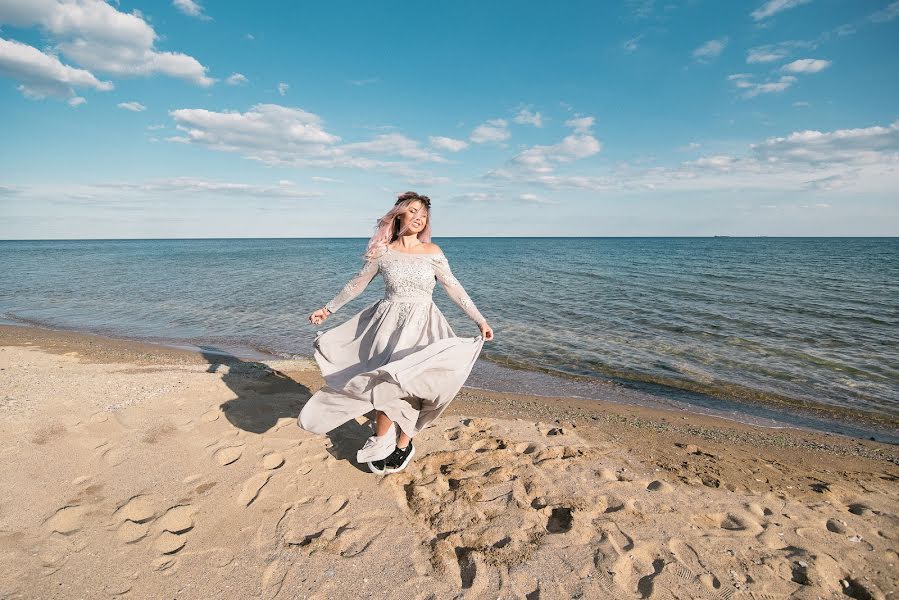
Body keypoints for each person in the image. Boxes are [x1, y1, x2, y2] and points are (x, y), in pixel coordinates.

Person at [298, 191, 494, 474]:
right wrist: (328, 309)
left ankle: (403, 445)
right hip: (387, 326)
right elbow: (357, 284)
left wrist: (480, 320)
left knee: (414, 388)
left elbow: (454, 288)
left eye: (423, 215)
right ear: (400, 213)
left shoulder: (433, 252)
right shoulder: (384, 251)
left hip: (424, 324)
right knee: (385, 382)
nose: (419, 218)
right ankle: (384, 440)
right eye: (413, 211)